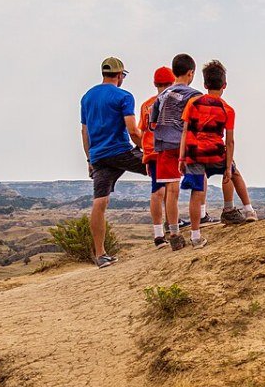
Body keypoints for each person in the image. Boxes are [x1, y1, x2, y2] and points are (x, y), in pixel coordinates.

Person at [178, 60, 258, 250]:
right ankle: (248, 211)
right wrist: (228, 166)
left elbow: (184, 131)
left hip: (194, 152)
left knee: (197, 192)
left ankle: (196, 237)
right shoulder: (227, 109)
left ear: (205, 85)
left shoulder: (193, 102)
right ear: (224, 86)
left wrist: (181, 158)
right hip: (215, 151)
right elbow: (229, 141)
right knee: (235, 174)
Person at [80, 57, 146, 268]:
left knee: (100, 203)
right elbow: (132, 130)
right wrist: (148, 147)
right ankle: (170, 227)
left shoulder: (87, 97)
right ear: (119, 76)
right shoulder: (124, 96)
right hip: (120, 151)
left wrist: (90, 158)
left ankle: (100, 254)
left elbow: (84, 130)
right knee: (160, 172)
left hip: (98, 155)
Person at [150, 53, 204, 250]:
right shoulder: (194, 95)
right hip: (186, 145)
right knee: (197, 188)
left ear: (174, 73)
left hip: (164, 145)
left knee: (171, 191)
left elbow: (152, 122)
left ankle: (174, 234)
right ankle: (196, 235)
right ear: (190, 73)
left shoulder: (161, 96)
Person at [139, 66, 175, 249]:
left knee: (161, 189)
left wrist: (145, 154)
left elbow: (143, 131)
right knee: (164, 190)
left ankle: (163, 230)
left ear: (155, 84)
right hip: (166, 151)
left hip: (153, 152)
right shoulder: (174, 103)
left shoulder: (146, 105)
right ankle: (162, 233)